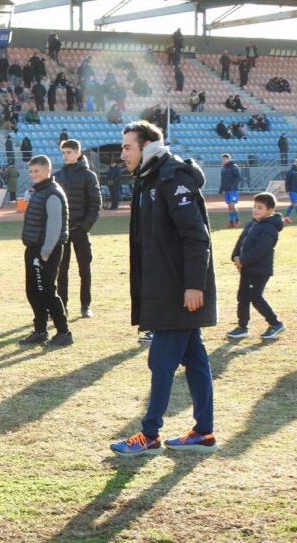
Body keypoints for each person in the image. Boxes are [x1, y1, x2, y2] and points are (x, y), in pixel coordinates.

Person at [110, 119, 217, 457]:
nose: (122, 153)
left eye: (128, 147)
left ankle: (150, 434)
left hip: (178, 291)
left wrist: (193, 285)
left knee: (161, 361)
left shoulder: (171, 176)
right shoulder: (149, 178)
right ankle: (203, 432)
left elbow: (195, 236)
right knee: (196, 360)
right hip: (164, 288)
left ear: (147, 146)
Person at [20, 154, 72, 347]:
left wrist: (46, 251)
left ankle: (64, 332)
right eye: (31, 171)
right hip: (33, 248)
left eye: (37, 171)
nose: (33, 174)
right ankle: (40, 330)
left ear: (48, 171)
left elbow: (55, 225)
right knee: (33, 291)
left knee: (47, 291)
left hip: (45, 251)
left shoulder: (51, 193)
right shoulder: (40, 191)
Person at [226, 192, 285, 341]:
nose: (255, 210)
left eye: (260, 207)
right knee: (243, 297)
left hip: (259, 271)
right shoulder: (252, 224)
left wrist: (243, 260)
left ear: (270, 210)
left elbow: (261, 250)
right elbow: (240, 242)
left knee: (255, 297)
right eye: (254, 206)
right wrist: (235, 256)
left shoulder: (269, 228)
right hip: (246, 268)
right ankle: (242, 327)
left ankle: (275, 323)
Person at [55, 139, 102, 318]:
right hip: (63, 231)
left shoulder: (89, 176)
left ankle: (85, 306)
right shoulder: (58, 176)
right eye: (63, 153)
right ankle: (62, 307)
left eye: (69, 152)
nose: (66, 156)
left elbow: (95, 204)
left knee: (85, 269)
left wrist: (84, 227)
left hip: (80, 230)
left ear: (77, 153)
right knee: (61, 270)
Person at [219, 153, 242, 228]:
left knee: (232, 205)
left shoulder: (234, 167)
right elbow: (222, 180)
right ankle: (231, 222)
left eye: (225, 159)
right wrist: (220, 190)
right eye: (222, 159)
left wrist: (233, 186)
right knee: (229, 206)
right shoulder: (223, 169)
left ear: (228, 159)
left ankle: (237, 220)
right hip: (226, 190)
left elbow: (238, 177)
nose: (223, 160)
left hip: (233, 190)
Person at [284, 159, 297, 223]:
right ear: (295, 163)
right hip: (292, 190)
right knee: (296, 203)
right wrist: (287, 190)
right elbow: (287, 181)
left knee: (292, 204)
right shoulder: (290, 171)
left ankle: (286, 216)